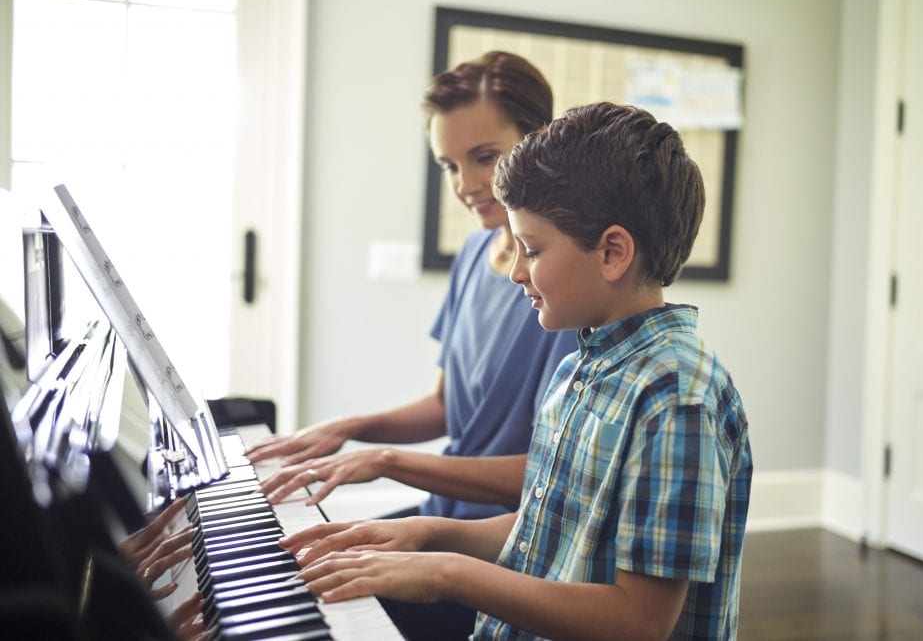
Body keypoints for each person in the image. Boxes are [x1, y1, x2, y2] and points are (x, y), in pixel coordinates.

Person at [279, 102, 754, 640]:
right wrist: (428, 532)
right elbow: (544, 533)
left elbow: (638, 622)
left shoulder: (677, 397)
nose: (516, 273)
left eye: (532, 249)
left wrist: (448, 573)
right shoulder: (577, 368)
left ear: (613, 252)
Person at [245, 52, 578, 521]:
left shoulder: (567, 283)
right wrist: (348, 427)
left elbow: (554, 473)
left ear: (538, 141)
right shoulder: (473, 255)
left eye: (484, 158)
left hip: (506, 537)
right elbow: (445, 407)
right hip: (444, 508)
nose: (465, 185)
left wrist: (387, 461)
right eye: (449, 166)